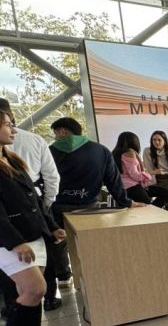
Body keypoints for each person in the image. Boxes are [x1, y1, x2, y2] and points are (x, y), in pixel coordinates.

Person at [45, 117, 143, 310]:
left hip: (58, 206)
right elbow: (113, 180)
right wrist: (126, 202)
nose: (55, 138)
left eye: (56, 133)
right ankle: (95, 280)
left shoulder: (49, 151)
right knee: (90, 244)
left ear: (63, 131)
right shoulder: (100, 150)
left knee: (58, 243)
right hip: (89, 207)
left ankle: (64, 278)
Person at [0, 109, 65, 326]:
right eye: (8, 125)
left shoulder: (11, 159)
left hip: (33, 233)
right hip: (11, 240)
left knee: (30, 292)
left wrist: (50, 226)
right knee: (35, 289)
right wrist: (15, 242)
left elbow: (33, 200)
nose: (13, 130)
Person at [111, 132, 168, 209]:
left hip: (123, 187)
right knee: (148, 207)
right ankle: (153, 212)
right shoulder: (130, 152)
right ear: (134, 141)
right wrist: (150, 174)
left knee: (165, 193)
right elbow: (135, 176)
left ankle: (153, 211)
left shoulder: (115, 153)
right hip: (131, 187)